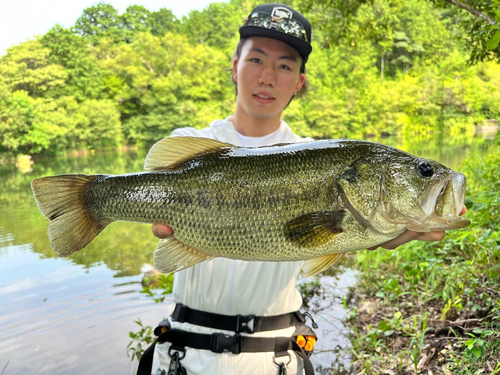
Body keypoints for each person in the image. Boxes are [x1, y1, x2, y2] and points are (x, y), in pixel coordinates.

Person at [141, 4, 466, 375]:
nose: (267, 77)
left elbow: (338, 233)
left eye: (284, 65)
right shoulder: (192, 143)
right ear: (234, 66)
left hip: (274, 358)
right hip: (183, 355)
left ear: (299, 81)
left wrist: (377, 233)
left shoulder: (319, 153)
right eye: (256, 60)